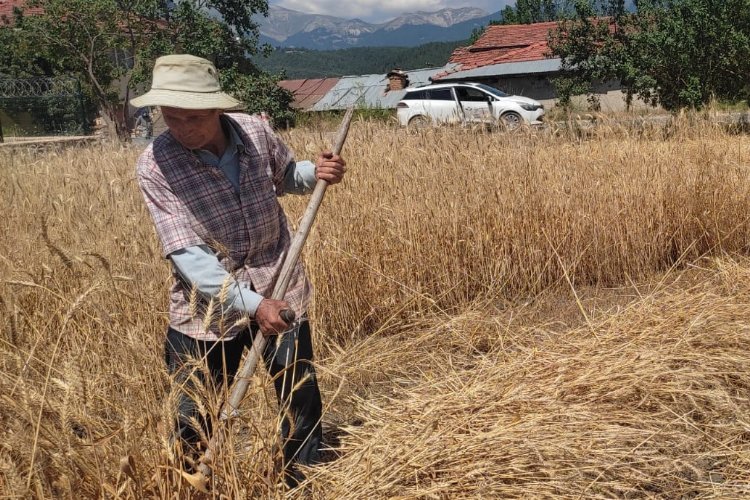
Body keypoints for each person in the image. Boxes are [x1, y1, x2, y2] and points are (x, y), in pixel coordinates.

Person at [131, 54, 347, 487]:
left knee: (298, 393)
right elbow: (188, 257)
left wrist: (317, 172)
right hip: (205, 313)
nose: (181, 127)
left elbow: (285, 176)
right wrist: (252, 305)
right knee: (192, 412)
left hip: (278, 281)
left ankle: (303, 480)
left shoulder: (254, 131)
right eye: (170, 117)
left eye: (193, 117)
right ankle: (189, 485)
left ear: (217, 110)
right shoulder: (156, 165)